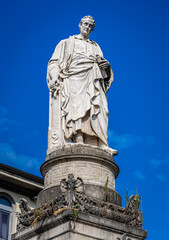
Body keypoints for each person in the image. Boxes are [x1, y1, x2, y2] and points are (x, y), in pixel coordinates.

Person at [47, 16, 114, 149]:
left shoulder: (95, 47)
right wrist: (54, 76)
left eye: (90, 26)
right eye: (85, 24)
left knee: (101, 109)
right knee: (77, 108)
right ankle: (79, 138)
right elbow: (54, 62)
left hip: (94, 79)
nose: (87, 27)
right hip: (74, 78)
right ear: (79, 25)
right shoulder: (67, 42)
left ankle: (101, 142)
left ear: (92, 29)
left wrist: (106, 67)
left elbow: (105, 71)